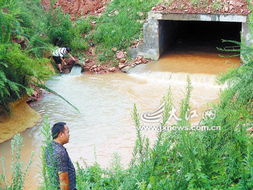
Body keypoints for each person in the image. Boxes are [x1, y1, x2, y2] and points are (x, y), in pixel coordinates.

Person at [45, 122, 77, 190]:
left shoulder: (49, 147)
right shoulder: (60, 152)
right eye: (67, 132)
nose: (69, 135)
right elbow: (63, 179)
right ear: (61, 134)